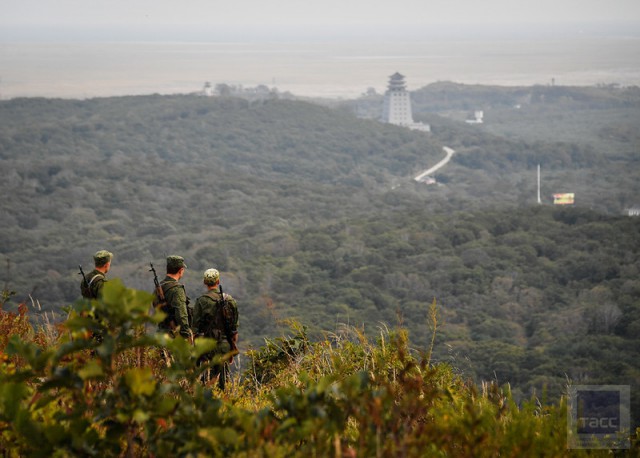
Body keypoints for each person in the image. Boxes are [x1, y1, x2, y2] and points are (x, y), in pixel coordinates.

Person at [193, 268, 239, 390]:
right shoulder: (230, 301)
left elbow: (195, 329)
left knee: (206, 380)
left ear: (205, 282)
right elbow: (234, 331)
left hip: (207, 345)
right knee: (224, 380)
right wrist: (232, 345)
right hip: (225, 345)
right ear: (218, 281)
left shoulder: (201, 301)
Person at [156, 255, 193, 341]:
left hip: (160, 334)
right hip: (174, 337)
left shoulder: (160, 287)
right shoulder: (177, 289)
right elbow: (182, 315)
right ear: (181, 270)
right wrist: (186, 335)